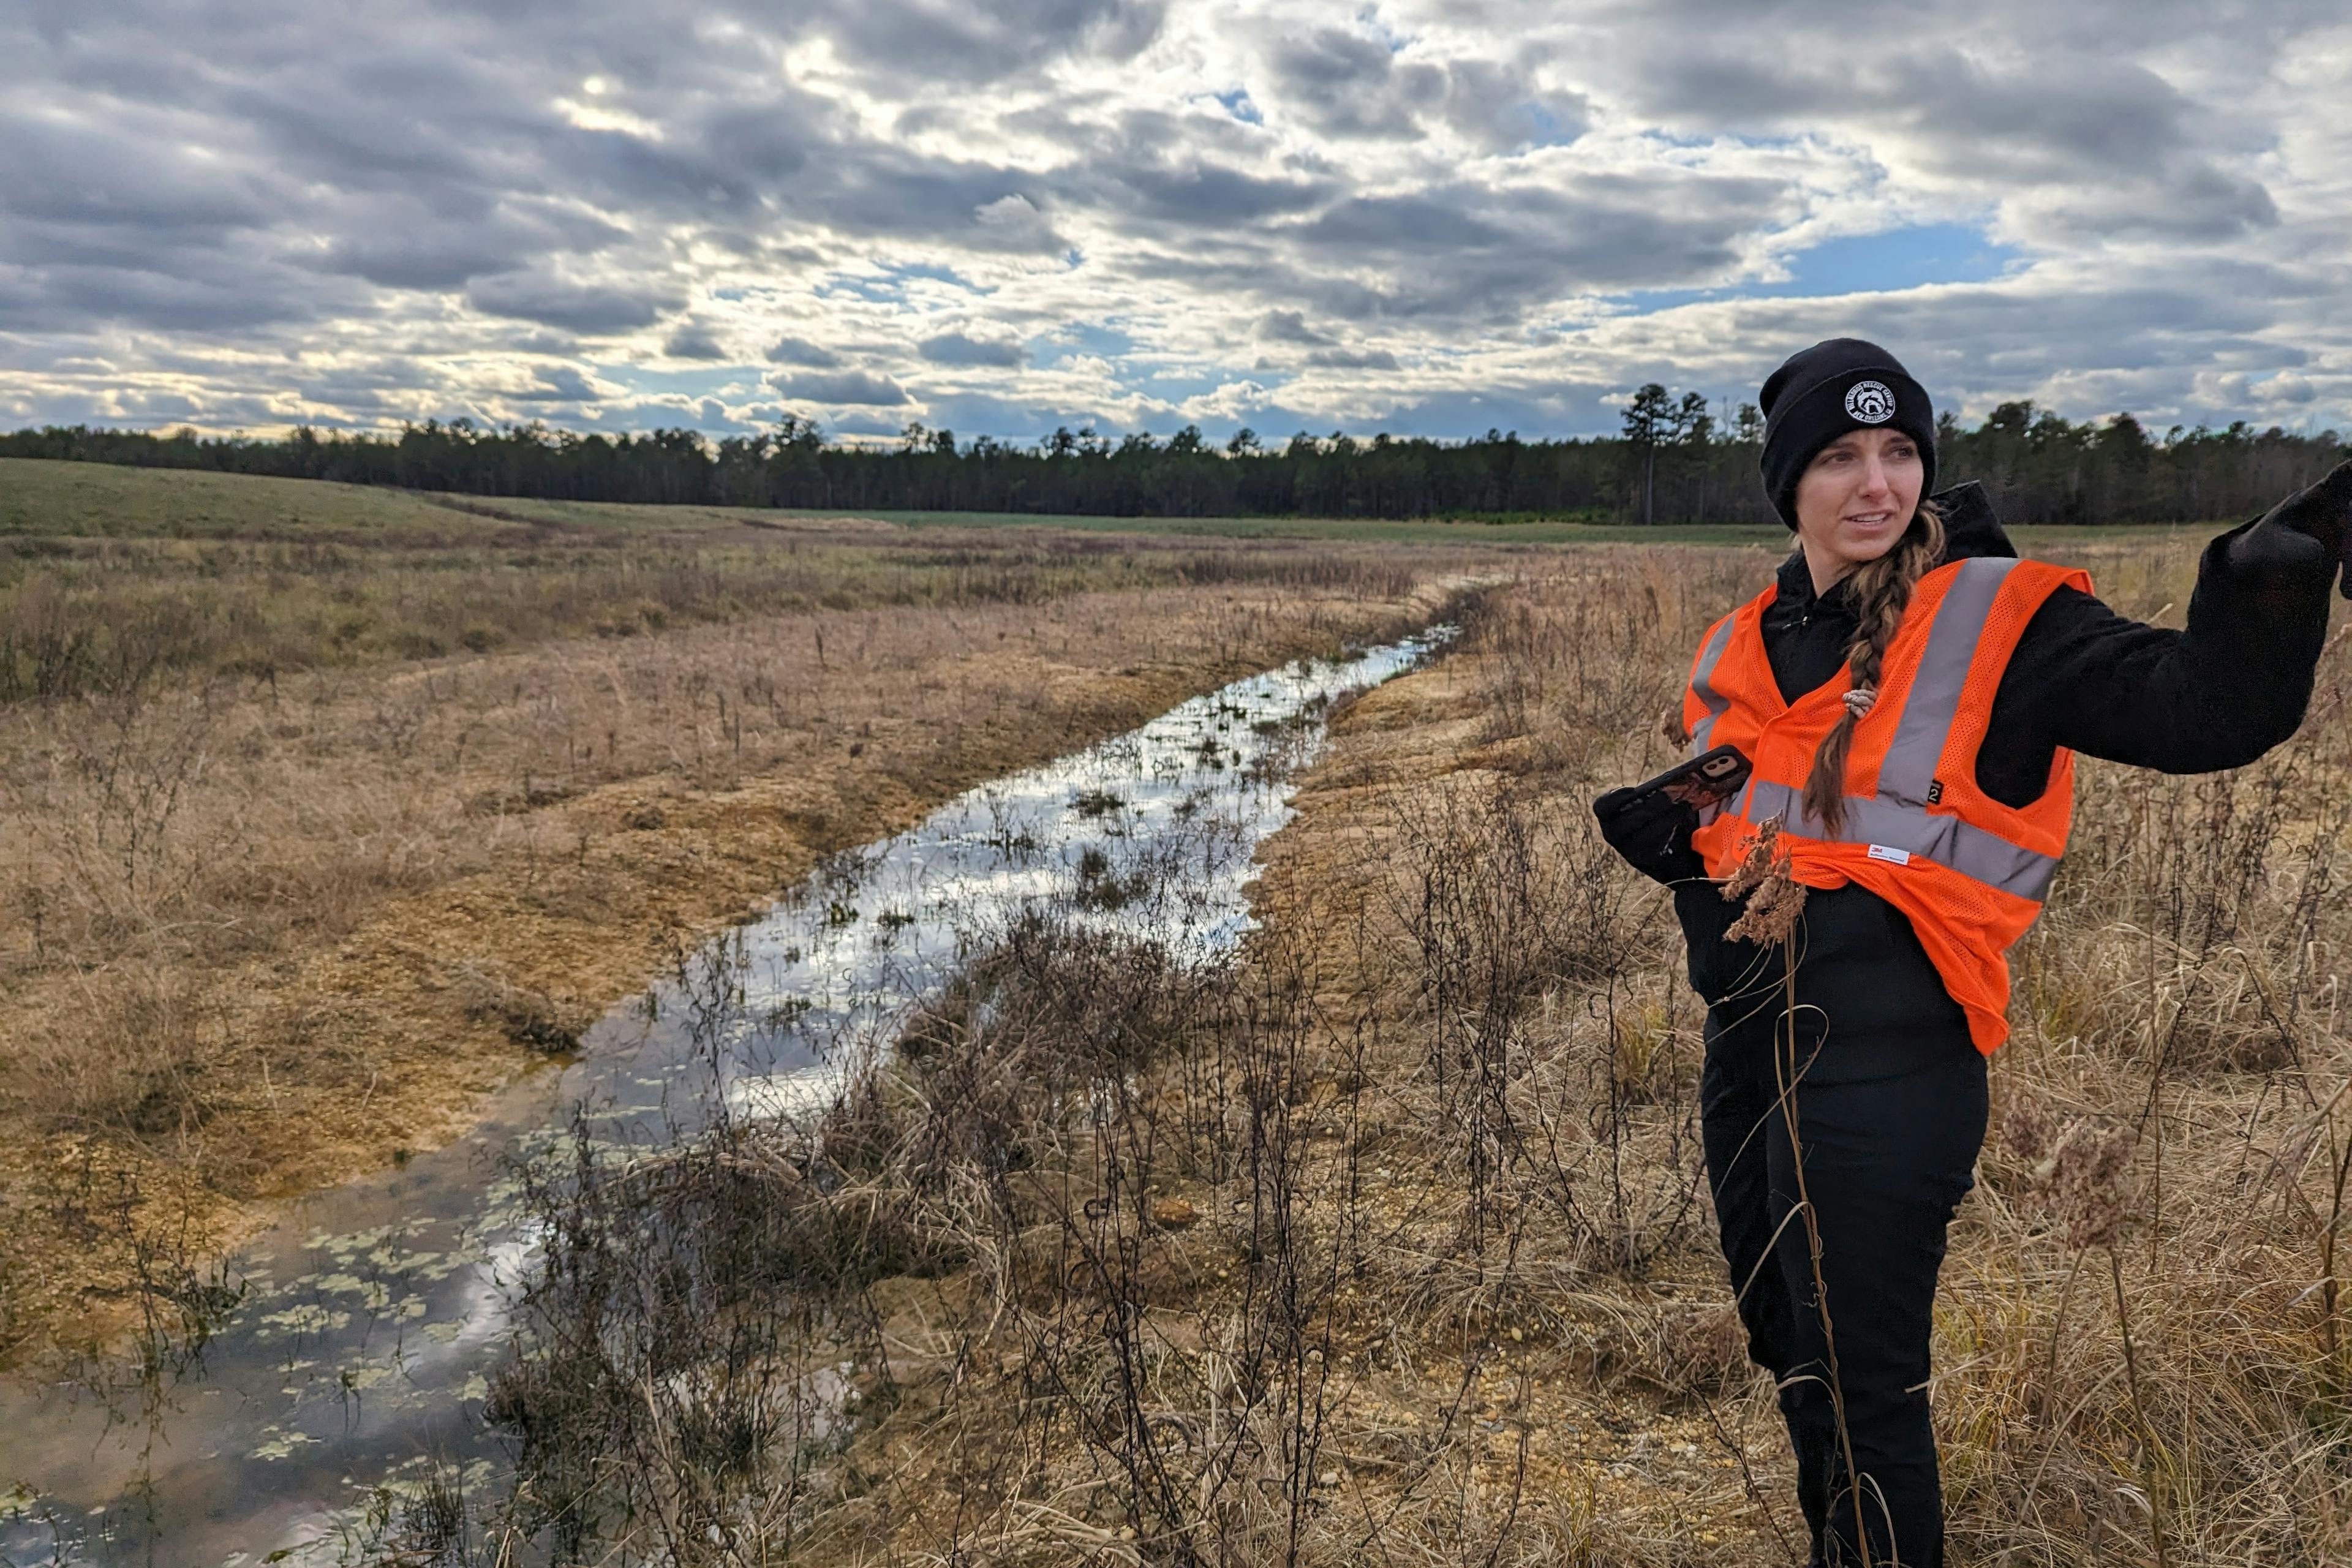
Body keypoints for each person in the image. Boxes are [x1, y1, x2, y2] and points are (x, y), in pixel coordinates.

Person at [1593, 337, 2348, 1566]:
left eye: (1899, 452)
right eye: (1840, 455)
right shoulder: (1745, 638)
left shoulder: (2005, 618)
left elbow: (2202, 709)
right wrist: (1677, 831)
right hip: (1747, 1050)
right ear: (1787, 481)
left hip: (1891, 1070)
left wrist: (2275, 570)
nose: (1877, 483)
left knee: (1869, 1391)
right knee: (1791, 1342)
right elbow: (1777, 811)